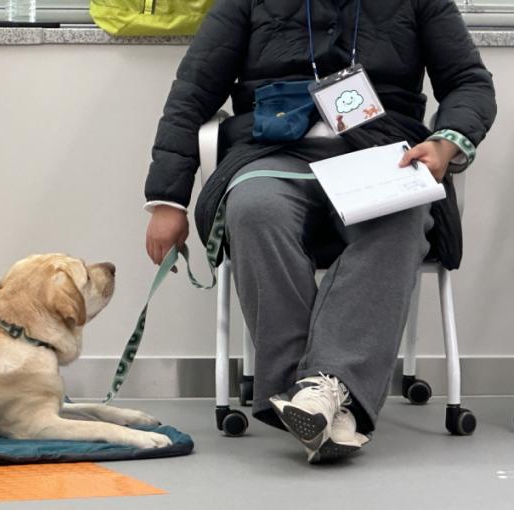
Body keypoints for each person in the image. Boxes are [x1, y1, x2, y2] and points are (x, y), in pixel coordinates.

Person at [143, 0, 496, 463]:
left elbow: (469, 81)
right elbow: (193, 91)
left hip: (382, 153)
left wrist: (447, 141)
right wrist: (167, 199)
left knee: (404, 215)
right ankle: (322, 396)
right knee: (253, 209)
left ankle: (318, 394)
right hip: (272, 152)